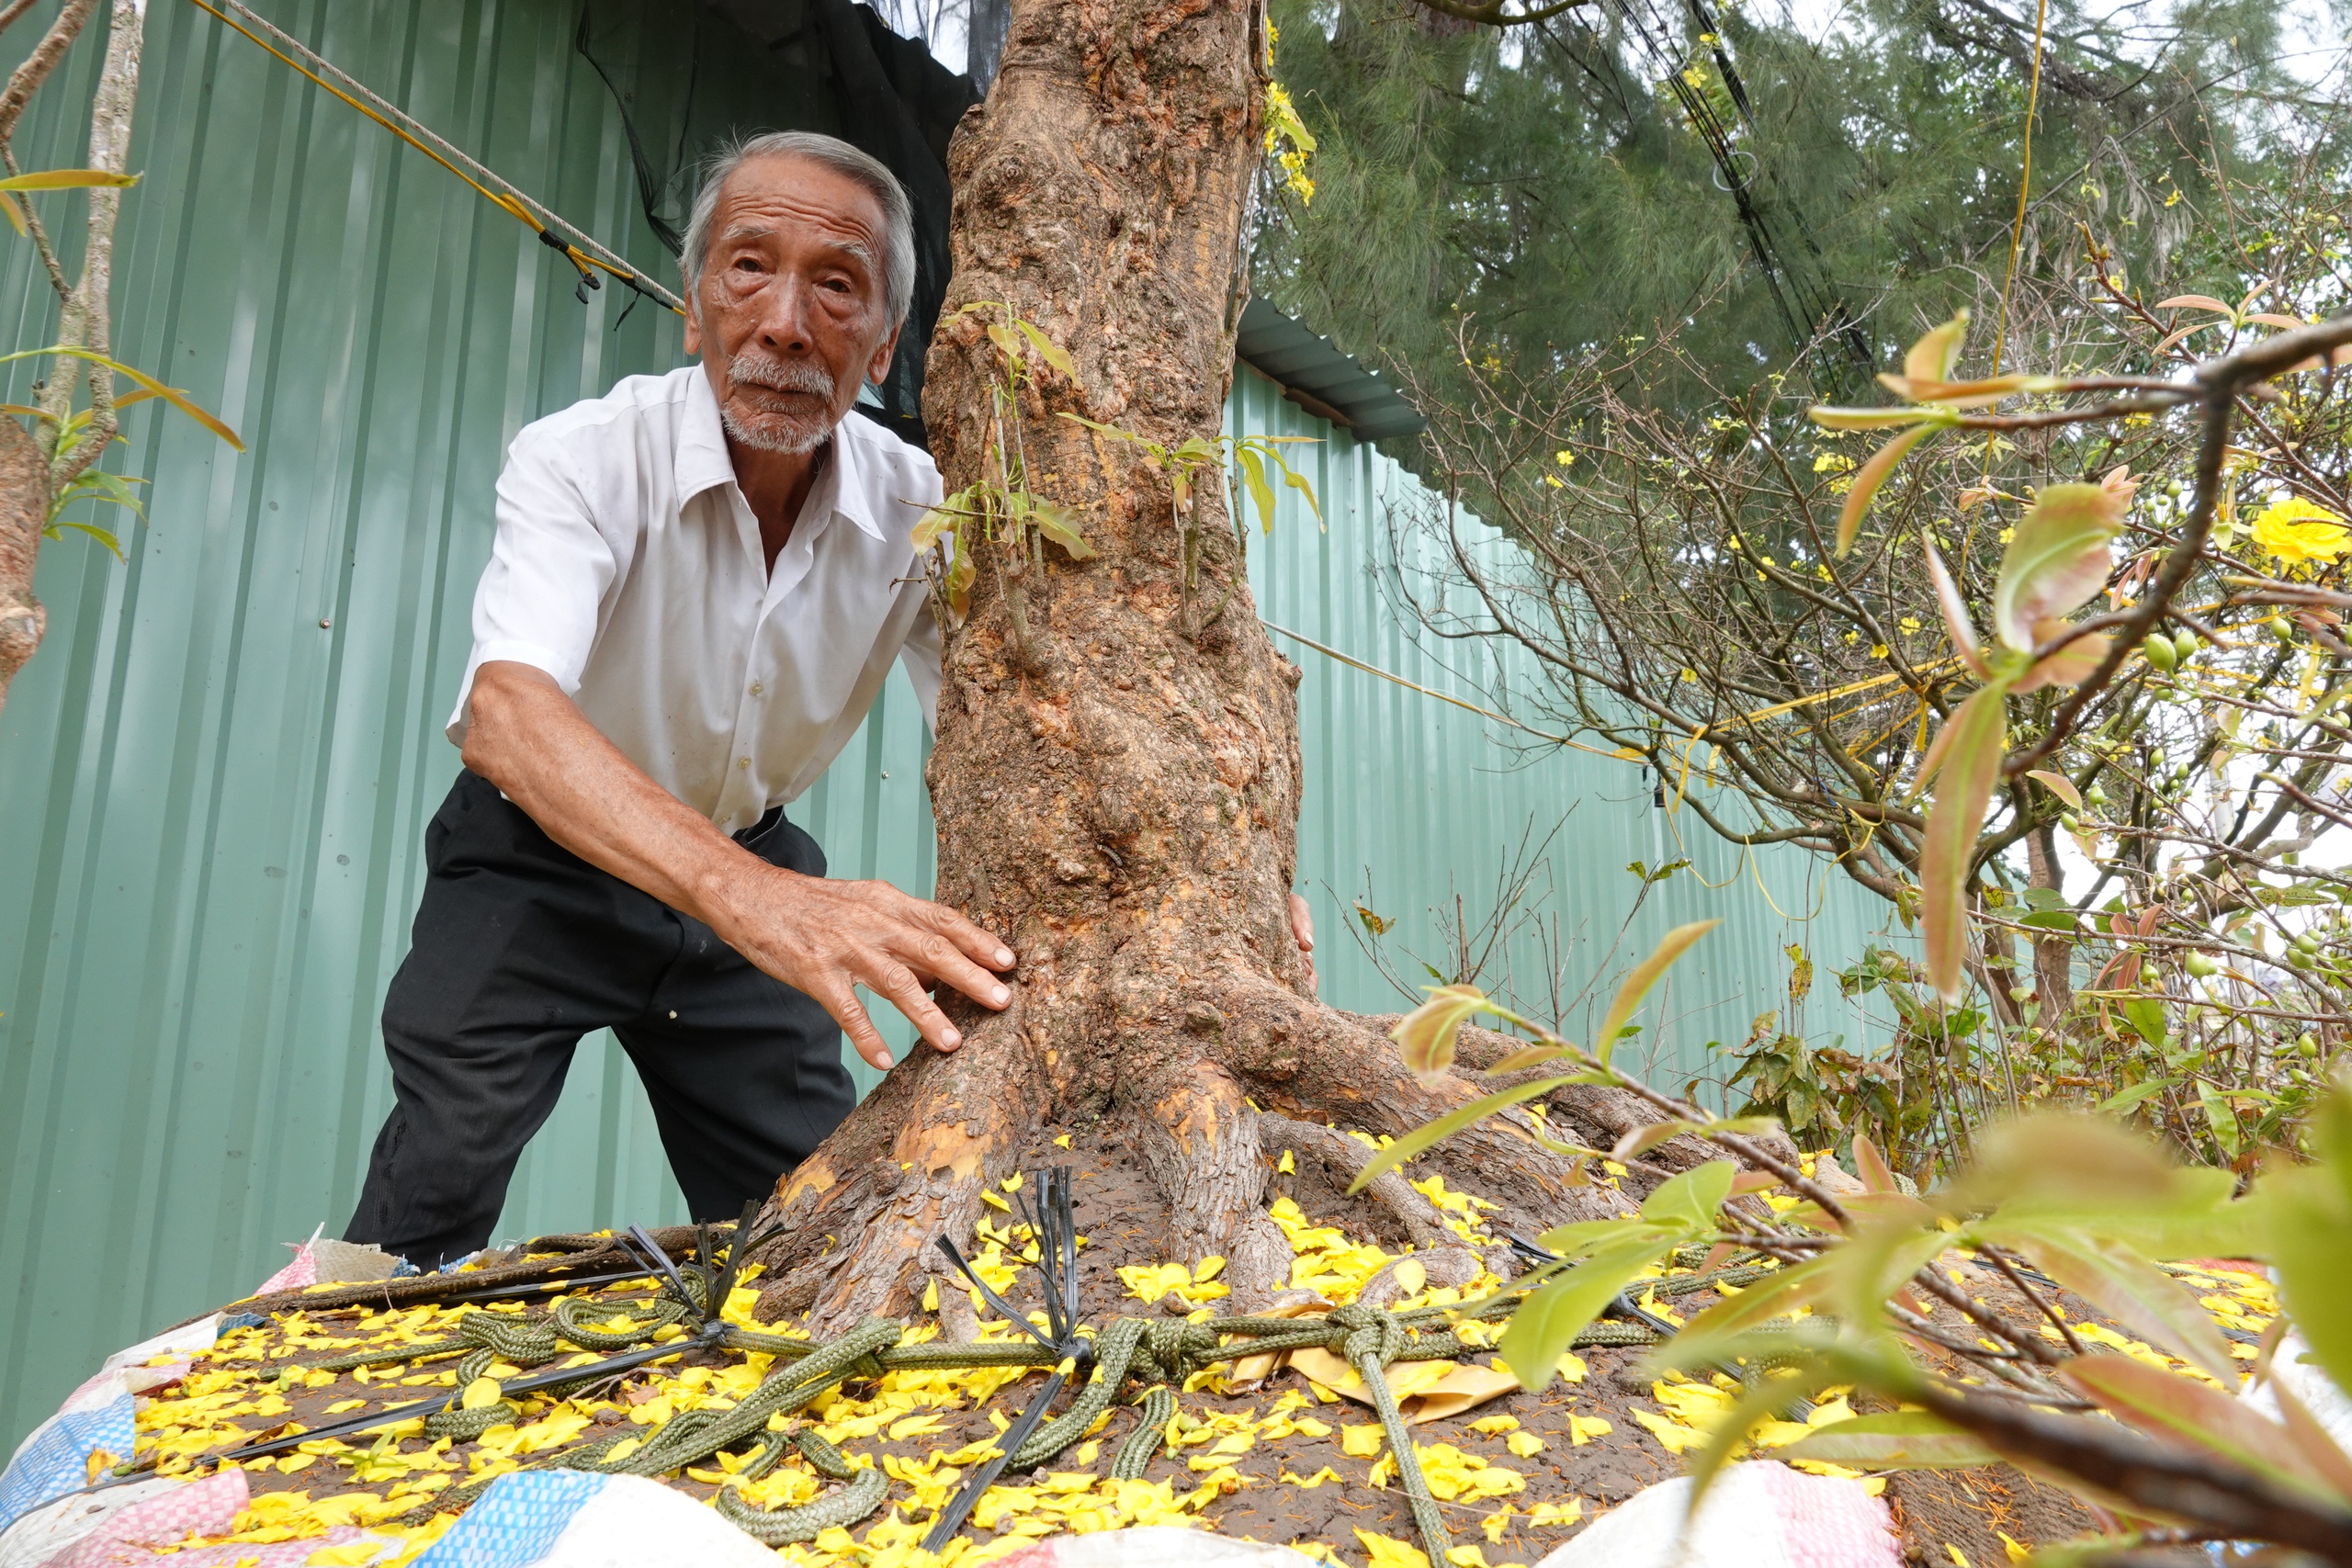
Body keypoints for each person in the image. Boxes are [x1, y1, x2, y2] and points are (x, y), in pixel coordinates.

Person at [345, 131, 1315, 1268]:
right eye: (748, 268)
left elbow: (1049, 719)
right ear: (695, 304)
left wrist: (1227, 884)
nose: (785, 325)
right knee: (434, 1183)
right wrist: (766, 904)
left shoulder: (923, 510)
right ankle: (286, 1411)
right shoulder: (582, 460)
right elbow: (509, 713)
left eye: (837, 285)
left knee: (813, 1216)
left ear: (887, 342)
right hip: (539, 857)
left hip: (747, 874)